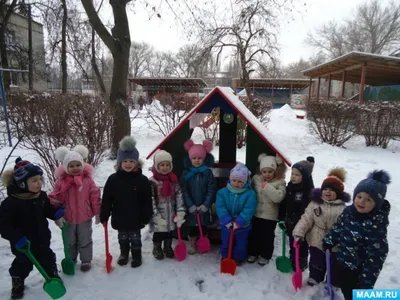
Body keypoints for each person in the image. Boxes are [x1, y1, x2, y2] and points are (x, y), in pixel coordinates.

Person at [0, 157, 65, 299]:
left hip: (42, 238)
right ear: (22, 183)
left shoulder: (40, 196)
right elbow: (4, 226)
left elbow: (46, 209)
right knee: (23, 264)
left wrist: (54, 213)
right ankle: (18, 281)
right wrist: (16, 237)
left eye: (40, 179)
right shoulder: (10, 203)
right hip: (23, 244)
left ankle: (51, 274)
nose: (39, 183)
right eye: (34, 181)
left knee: (47, 258)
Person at [323, 170, 391, 300]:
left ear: (377, 204)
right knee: (344, 288)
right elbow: (339, 227)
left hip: (358, 273)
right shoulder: (349, 212)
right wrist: (329, 240)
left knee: (353, 295)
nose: (361, 202)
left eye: (368, 199)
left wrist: (365, 283)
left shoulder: (376, 227)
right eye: (359, 197)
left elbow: (376, 257)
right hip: (342, 261)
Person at [100, 136, 153, 268]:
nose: (128, 164)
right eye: (125, 161)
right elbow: (107, 199)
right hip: (120, 216)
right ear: (119, 162)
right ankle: (124, 253)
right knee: (122, 237)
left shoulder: (142, 180)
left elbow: (147, 199)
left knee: (135, 238)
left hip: (136, 217)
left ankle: (136, 255)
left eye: (131, 161)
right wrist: (104, 214)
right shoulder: (113, 180)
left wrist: (146, 215)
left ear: (136, 163)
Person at [293, 167, 350, 287]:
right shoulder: (315, 203)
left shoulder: (343, 209)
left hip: (335, 245)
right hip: (316, 240)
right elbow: (306, 219)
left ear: (339, 193)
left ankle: (333, 282)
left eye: (332, 190)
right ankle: (315, 277)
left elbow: (346, 227)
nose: (328, 192)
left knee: (334, 265)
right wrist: (299, 232)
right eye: (326, 189)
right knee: (316, 261)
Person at [49, 145, 101, 272]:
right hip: (68, 218)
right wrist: (57, 215)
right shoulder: (61, 182)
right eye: (71, 166)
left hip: (85, 217)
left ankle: (86, 260)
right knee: (70, 241)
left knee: (85, 240)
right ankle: (71, 258)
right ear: (66, 167)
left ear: (82, 165)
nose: (75, 168)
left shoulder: (88, 180)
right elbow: (55, 198)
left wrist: (98, 212)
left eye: (78, 165)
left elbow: (95, 196)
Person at [247, 153, 287, 265]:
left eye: (270, 171)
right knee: (254, 234)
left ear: (275, 171)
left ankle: (265, 255)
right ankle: (253, 252)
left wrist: (267, 186)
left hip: (270, 216)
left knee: (267, 237)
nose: (267, 174)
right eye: (264, 172)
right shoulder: (256, 179)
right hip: (256, 213)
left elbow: (278, 198)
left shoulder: (280, 182)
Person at [278, 156, 315, 271]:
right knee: (291, 241)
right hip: (290, 222)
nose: (293, 176)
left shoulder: (308, 192)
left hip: (301, 224)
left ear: (305, 177)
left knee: (301, 244)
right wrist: (282, 218)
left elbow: (306, 210)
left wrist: (298, 221)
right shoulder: (290, 187)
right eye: (292, 174)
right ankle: (293, 257)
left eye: (297, 175)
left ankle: (302, 260)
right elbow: (284, 203)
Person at [180, 139, 216, 255]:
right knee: (192, 227)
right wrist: (190, 205)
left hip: (203, 207)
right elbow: (184, 190)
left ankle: (202, 241)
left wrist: (206, 205)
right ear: (190, 159)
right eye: (194, 158)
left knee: (203, 226)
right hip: (191, 207)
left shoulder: (207, 173)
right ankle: (192, 243)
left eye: (199, 158)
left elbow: (211, 189)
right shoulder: (186, 173)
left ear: (204, 159)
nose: (196, 161)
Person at [216, 163, 257, 265]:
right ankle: (225, 255)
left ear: (245, 181)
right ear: (230, 179)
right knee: (226, 241)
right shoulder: (222, 192)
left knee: (241, 243)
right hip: (227, 224)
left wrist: (239, 221)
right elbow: (220, 207)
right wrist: (226, 219)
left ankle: (239, 257)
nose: (236, 183)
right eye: (234, 180)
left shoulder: (250, 194)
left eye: (240, 181)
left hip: (242, 225)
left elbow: (249, 209)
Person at [149, 150, 185, 260]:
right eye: (162, 165)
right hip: (159, 213)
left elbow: (179, 195)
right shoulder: (152, 181)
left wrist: (180, 211)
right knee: (159, 233)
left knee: (169, 232)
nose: (165, 167)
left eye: (167, 165)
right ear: (156, 166)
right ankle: (157, 248)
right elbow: (150, 199)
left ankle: (168, 247)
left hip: (171, 213)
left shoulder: (173, 180)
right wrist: (156, 216)